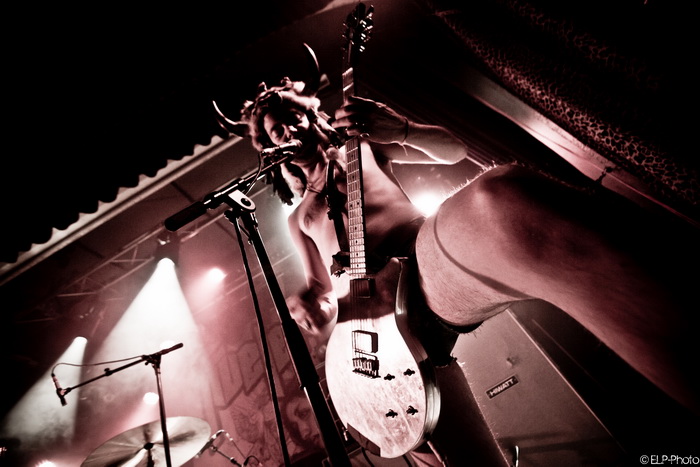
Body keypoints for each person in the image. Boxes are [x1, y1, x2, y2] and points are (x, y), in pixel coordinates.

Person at [226, 77, 699, 462]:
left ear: (311, 114)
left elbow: (452, 151)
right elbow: (320, 289)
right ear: (270, 148)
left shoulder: (362, 147)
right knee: (446, 453)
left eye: (291, 117)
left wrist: (402, 129)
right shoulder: (299, 217)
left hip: (419, 261)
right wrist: (312, 303)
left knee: (502, 198)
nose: (287, 130)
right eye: (275, 130)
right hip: (372, 322)